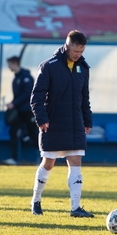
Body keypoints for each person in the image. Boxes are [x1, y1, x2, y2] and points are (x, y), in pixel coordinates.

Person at [29, 31, 94, 217]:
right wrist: (41, 119)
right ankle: (36, 201)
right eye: (75, 50)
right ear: (67, 46)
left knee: (76, 161)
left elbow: (85, 98)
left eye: (81, 51)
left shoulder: (83, 67)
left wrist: (87, 120)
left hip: (75, 124)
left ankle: (75, 208)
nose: (78, 55)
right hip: (53, 123)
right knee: (48, 163)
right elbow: (37, 97)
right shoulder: (49, 66)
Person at [4, 56, 36, 166]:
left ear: (15, 63)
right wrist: (12, 103)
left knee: (34, 134)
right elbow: (17, 95)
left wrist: (14, 103)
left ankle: (44, 158)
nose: (8, 67)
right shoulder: (16, 78)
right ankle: (14, 158)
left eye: (9, 64)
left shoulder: (26, 77)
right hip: (18, 112)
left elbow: (26, 94)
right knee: (13, 132)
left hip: (28, 111)